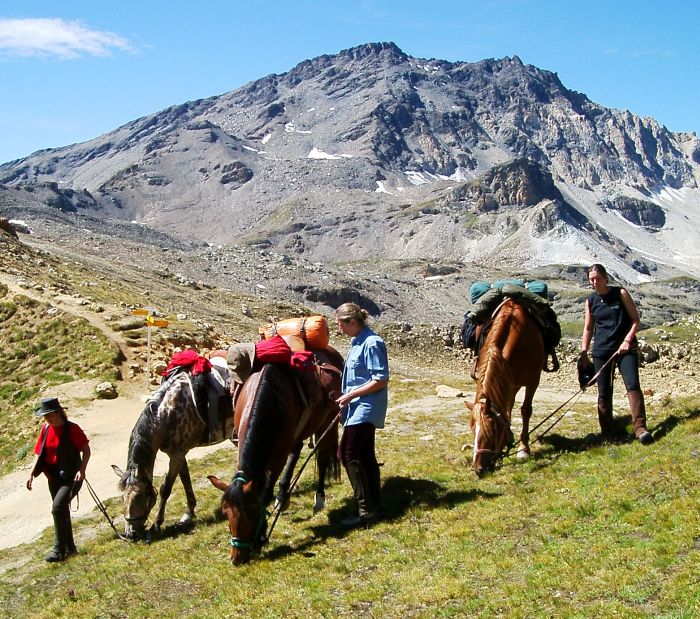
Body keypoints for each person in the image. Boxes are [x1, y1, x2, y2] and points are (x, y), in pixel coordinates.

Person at [580, 264, 652, 444]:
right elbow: (588, 329)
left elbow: (636, 320)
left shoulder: (620, 293)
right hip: (601, 351)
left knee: (632, 385)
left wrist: (627, 340)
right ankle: (608, 434)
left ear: (605, 278)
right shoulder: (590, 301)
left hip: (625, 349)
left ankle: (640, 428)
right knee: (604, 392)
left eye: (597, 278)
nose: (594, 282)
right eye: (591, 279)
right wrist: (584, 351)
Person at [335, 303, 390, 527]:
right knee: (365, 456)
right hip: (356, 407)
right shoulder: (356, 341)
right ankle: (374, 504)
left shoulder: (372, 342)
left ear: (353, 322)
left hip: (365, 407)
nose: (339, 329)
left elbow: (380, 379)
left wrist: (350, 396)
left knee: (347, 454)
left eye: (341, 324)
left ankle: (365, 510)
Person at [26, 397, 91, 562]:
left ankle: (58, 549)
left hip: (71, 477)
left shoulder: (72, 429)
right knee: (62, 511)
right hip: (53, 477)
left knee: (57, 508)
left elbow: (86, 450)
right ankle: (70, 549)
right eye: (45, 416)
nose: (46, 419)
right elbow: (39, 453)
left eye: (48, 415)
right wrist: (31, 473)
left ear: (57, 413)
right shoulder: (46, 429)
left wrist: (82, 471)